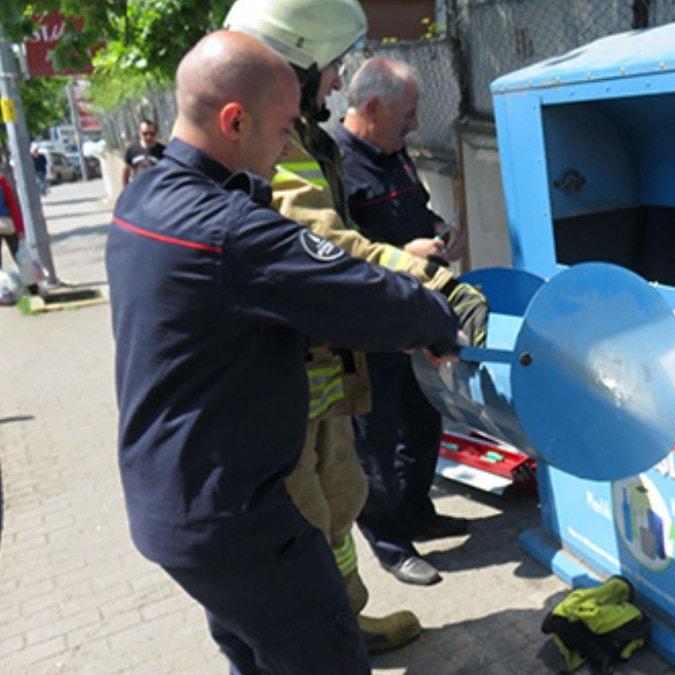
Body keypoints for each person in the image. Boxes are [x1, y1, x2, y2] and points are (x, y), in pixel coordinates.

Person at [106, 31, 460, 673]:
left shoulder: (145, 197)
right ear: (234, 120)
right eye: (280, 128)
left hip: (176, 504)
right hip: (237, 516)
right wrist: (439, 316)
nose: (289, 145)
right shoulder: (228, 232)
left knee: (257, 654)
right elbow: (362, 297)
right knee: (326, 652)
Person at [224, 0, 486, 623]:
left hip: (321, 362)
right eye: (332, 66)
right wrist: (432, 286)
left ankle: (348, 621)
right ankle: (324, 640)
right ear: (295, 63)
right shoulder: (273, 141)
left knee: (336, 497)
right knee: (306, 515)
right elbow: (328, 242)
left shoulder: (301, 136)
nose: (339, 81)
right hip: (282, 371)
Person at [335, 57, 476, 586]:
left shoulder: (395, 153)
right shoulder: (338, 165)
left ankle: (419, 512)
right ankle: (391, 543)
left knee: (424, 419)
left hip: (415, 317)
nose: (416, 124)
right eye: (408, 114)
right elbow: (336, 251)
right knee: (378, 438)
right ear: (371, 108)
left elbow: (417, 212)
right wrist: (402, 251)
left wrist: (440, 232)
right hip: (371, 327)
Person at [0, 171, 25, 305]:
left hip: (6, 223)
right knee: (20, 256)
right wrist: (20, 229)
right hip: (8, 223)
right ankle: (33, 286)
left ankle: (3, 294)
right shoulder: (2, 180)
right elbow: (12, 205)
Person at [121, 120, 166, 186]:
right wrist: (125, 191)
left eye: (152, 134)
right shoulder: (132, 150)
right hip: (138, 190)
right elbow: (125, 172)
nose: (148, 137)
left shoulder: (164, 151)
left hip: (156, 190)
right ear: (139, 133)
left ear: (156, 133)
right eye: (145, 134)